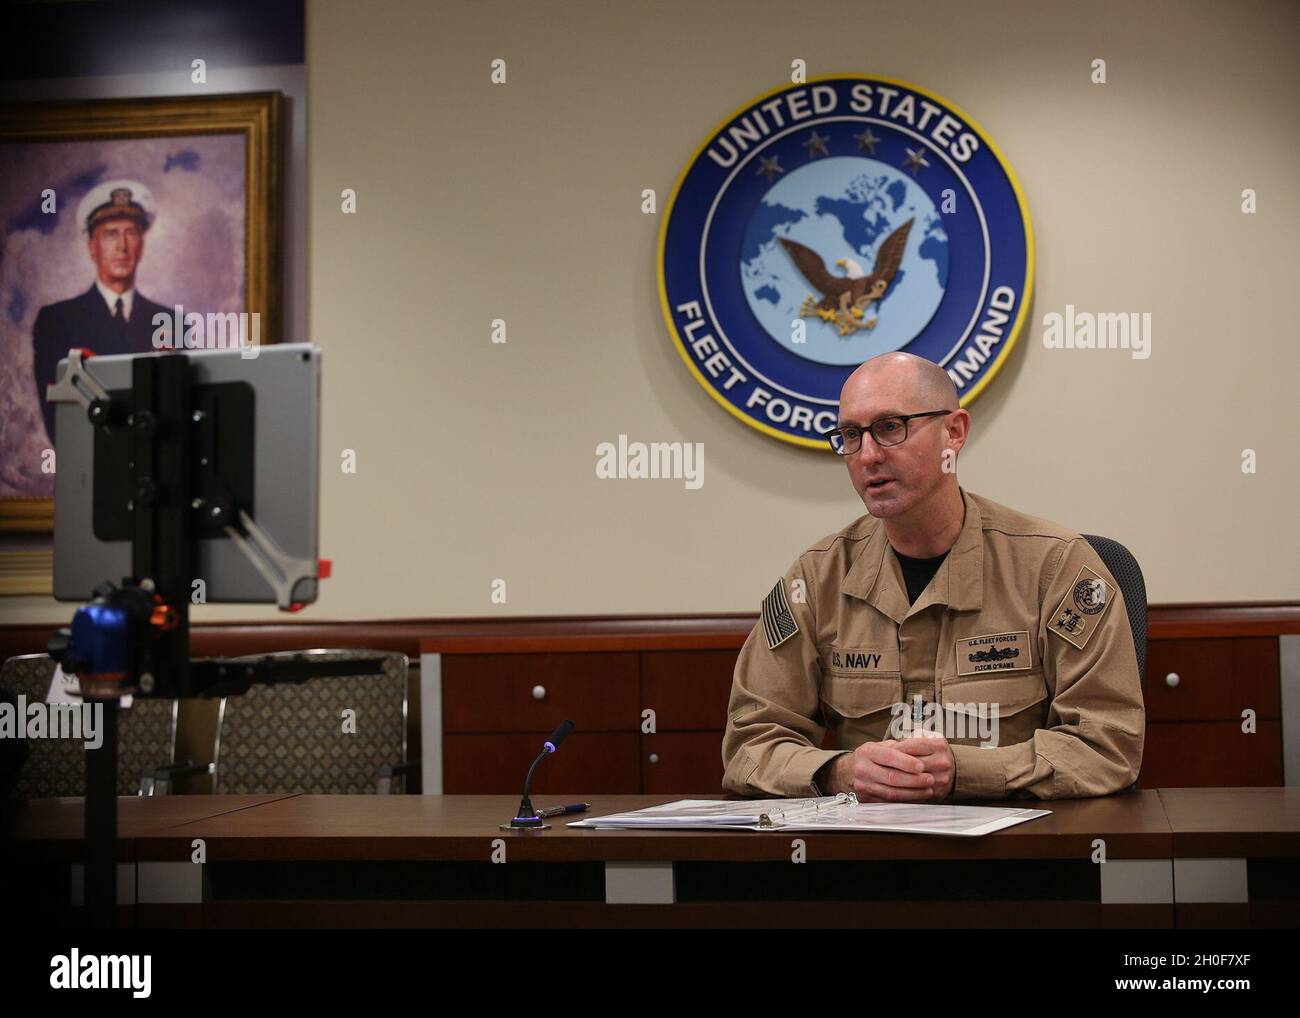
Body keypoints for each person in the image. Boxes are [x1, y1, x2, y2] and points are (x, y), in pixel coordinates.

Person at [721, 351, 1144, 801]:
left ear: (954, 432)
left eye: (890, 427)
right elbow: (750, 744)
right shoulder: (816, 579)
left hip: (1016, 854)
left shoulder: (1055, 567)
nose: (867, 456)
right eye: (850, 435)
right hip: (866, 853)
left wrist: (966, 771)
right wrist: (840, 772)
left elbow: (1107, 744)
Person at [31, 180, 170, 442]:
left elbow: (176, 414)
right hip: (90, 470)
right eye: (110, 234)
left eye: (131, 233)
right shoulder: (57, 321)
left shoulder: (171, 323)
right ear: (92, 247)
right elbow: (59, 422)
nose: (122, 246)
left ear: (142, 244)